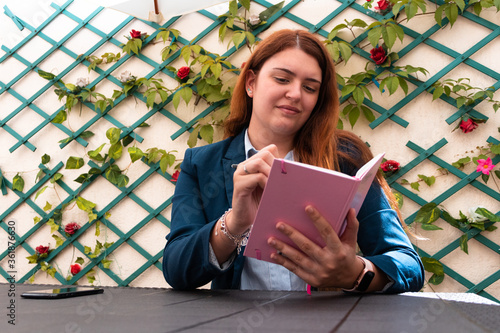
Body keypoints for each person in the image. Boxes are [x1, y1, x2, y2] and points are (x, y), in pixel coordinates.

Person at [162, 29, 424, 292]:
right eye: (282, 79)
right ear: (251, 83)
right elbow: (176, 269)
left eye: (310, 87)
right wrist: (234, 223)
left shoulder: (344, 157)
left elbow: (407, 264)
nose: (296, 94)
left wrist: (354, 273)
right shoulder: (202, 163)